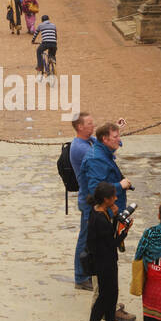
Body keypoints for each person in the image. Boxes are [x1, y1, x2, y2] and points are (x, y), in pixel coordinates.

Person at [80, 121, 136, 321]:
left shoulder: (102, 152)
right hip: (104, 219)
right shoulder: (97, 158)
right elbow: (96, 189)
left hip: (109, 214)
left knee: (107, 266)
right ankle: (101, 314)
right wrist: (119, 186)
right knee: (103, 270)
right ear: (105, 139)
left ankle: (108, 309)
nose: (119, 140)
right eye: (116, 137)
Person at [81, 182, 126, 321]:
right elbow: (113, 241)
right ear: (106, 199)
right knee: (103, 298)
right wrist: (125, 230)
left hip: (107, 260)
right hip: (103, 262)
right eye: (113, 196)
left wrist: (115, 218)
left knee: (112, 295)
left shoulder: (100, 211)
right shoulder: (99, 218)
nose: (115, 198)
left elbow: (108, 236)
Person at [69, 112, 96, 291]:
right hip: (88, 199)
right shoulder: (80, 147)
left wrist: (115, 133)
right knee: (85, 238)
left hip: (90, 198)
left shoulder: (88, 141)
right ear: (80, 127)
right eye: (89, 123)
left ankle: (87, 272)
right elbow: (101, 155)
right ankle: (81, 276)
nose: (93, 125)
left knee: (90, 237)